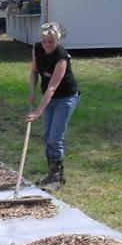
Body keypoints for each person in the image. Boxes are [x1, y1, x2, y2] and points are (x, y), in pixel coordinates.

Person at [25, 22, 80, 190]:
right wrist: (33, 90)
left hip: (65, 98)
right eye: (44, 41)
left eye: (50, 41)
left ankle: (56, 178)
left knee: (55, 138)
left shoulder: (61, 57)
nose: (47, 45)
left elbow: (52, 88)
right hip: (48, 97)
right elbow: (34, 72)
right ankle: (54, 173)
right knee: (47, 135)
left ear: (57, 40)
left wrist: (37, 112)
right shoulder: (37, 49)